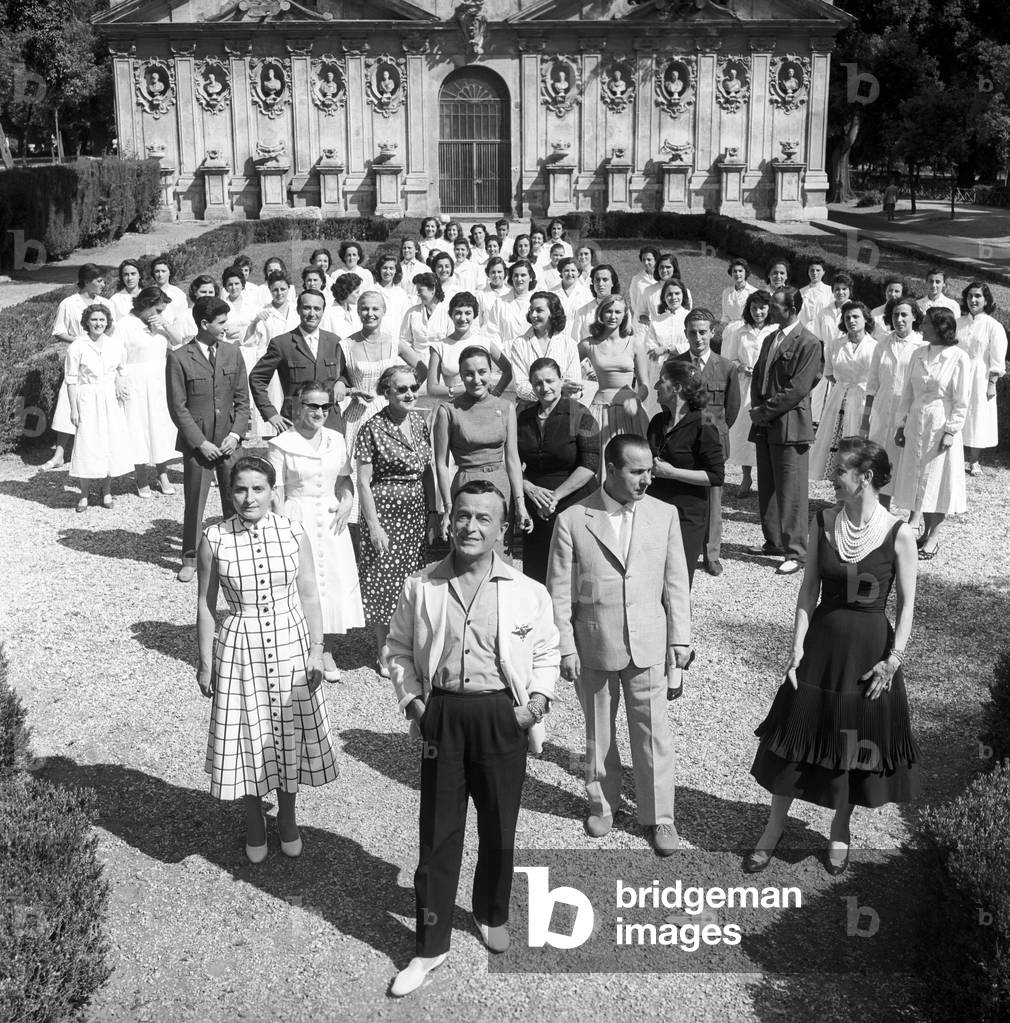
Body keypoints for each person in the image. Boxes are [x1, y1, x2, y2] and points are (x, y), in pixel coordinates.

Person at [385, 480, 559, 996]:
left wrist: (534, 708)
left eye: (484, 518)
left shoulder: (529, 591)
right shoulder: (422, 586)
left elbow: (547, 651)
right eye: (463, 515)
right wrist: (416, 704)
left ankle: (490, 911)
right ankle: (430, 945)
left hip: (501, 717)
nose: (471, 527)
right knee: (438, 834)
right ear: (449, 520)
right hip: (444, 714)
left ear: (502, 529)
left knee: (500, 825)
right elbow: (396, 650)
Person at [746, 438, 920, 876]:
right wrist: (795, 647)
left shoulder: (900, 534)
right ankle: (773, 827)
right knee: (795, 735)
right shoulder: (823, 519)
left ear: (864, 477)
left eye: (840, 471)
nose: (830, 478)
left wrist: (893, 659)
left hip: (869, 656)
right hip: (820, 649)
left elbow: (908, 606)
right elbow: (809, 589)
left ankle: (840, 828)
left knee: (850, 743)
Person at [548, 434, 692, 855]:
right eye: (637, 471)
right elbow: (558, 592)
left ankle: (660, 817)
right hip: (594, 643)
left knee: (652, 734)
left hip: (649, 641)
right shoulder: (572, 519)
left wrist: (680, 639)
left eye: (650, 469)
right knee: (599, 732)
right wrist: (565, 648)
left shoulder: (664, 514)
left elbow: (676, 583)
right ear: (610, 470)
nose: (647, 479)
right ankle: (602, 802)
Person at [197, 456, 339, 863]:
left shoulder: (293, 531)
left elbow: (310, 594)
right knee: (248, 733)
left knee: (287, 728)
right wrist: (206, 661)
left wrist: (316, 649)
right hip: (242, 645)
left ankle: (289, 816)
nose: (249, 497)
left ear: (273, 491)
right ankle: (255, 817)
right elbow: (207, 605)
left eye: (258, 488)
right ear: (229, 492)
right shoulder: (215, 538)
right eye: (240, 489)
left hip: (291, 640)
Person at [268, 382, 364, 681]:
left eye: (325, 406)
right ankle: (299, 646)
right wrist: (281, 526)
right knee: (303, 582)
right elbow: (277, 491)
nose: (320, 412)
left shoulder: (336, 439)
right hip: (298, 514)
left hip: (331, 515)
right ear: (298, 406)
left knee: (332, 580)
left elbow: (345, 480)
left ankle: (327, 650)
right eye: (313, 405)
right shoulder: (282, 443)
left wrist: (348, 502)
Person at [355, 365, 437, 678]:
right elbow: (363, 481)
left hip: (415, 508)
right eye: (401, 389)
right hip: (384, 509)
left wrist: (431, 512)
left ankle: (408, 640)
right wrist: (373, 525)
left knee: (411, 576)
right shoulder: (372, 427)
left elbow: (427, 470)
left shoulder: (418, 421)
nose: (409, 394)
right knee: (382, 577)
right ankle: (383, 648)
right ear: (386, 392)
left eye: (413, 387)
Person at [166, 297, 250, 582]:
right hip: (198, 445)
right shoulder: (178, 358)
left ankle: (234, 553)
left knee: (234, 498)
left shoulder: (232, 353)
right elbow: (178, 408)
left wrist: (235, 435)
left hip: (228, 441)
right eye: (221, 323)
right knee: (195, 502)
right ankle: (189, 557)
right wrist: (200, 442)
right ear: (204, 324)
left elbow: (242, 401)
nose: (227, 327)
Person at [748, 286, 823, 575]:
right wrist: (757, 408)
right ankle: (774, 541)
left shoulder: (809, 342)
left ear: (792, 309)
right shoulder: (770, 338)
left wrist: (764, 411)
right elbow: (758, 376)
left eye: (776, 306)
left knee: (791, 490)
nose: (770, 309)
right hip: (766, 423)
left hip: (790, 426)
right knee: (767, 485)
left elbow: (798, 388)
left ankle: (797, 551)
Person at [339, 291, 426, 525]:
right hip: (358, 414)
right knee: (359, 471)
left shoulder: (394, 342)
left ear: (384, 311)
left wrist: (406, 386)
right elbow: (338, 379)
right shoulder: (346, 345)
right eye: (365, 308)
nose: (370, 313)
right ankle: (360, 527)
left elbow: (422, 368)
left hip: (390, 410)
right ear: (358, 311)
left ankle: (390, 519)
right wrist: (350, 391)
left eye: (376, 309)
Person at [894, 308, 971, 560]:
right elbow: (908, 393)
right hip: (917, 422)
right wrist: (901, 423)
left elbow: (961, 399)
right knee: (918, 478)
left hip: (940, 423)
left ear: (940, 327)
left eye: (926, 322)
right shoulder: (918, 353)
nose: (922, 326)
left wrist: (951, 430)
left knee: (937, 480)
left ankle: (934, 536)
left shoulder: (958, 357)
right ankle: (923, 531)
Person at [432, 346, 531, 541]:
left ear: (492, 373)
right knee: (468, 550)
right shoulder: (448, 411)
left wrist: (520, 503)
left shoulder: (506, 407)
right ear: (460, 375)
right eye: (468, 374)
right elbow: (441, 465)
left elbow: (512, 458)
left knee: (499, 556)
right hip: (465, 486)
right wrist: (448, 507)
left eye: (482, 372)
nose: (476, 380)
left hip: (500, 487)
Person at [517, 358, 599, 584]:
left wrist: (554, 497)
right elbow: (512, 459)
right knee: (537, 571)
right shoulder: (523, 417)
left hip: (573, 500)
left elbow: (591, 464)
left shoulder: (580, 414)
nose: (544, 388)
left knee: (571, 573)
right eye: (538, 383)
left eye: (550, 381)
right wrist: (529, 487)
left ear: (561, 381)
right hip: (536, 501)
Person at [672, 308, 739, 576]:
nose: (697, 337)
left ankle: (711, 554)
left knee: (712, 498)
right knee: (682, 495)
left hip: (714, 441)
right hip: (684, 442)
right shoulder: (675, 365)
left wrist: (715, 434)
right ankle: (681, 549)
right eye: (692, 332)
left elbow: (731, 409)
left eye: (702, 332)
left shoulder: (726, 367)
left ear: (712, 333)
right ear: (685, 333)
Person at [647, 359, 725, 588]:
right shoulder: (657, 421)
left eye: (661, 381)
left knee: (676, 584)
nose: (655, 387)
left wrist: (672, 473)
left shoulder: (704, 422)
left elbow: (716, 476)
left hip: (686, 516)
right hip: (653, 512)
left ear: (677, 388)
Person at [43, 264, 116, 470]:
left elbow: (112, 330)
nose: (103, 284)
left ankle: (100, 452)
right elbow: (59, 331)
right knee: (69, 401)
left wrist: (98, 343)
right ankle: (59, 454)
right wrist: (80, 342)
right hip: (77, 357)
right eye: (99, 280)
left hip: (100, 358)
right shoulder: (69, 303)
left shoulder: (106, 303)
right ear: (86, 281)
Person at [249, 289, 349, 434]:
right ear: (298, 309)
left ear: (323, 311)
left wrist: (341, 382)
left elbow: (347, 372)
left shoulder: (334, 341)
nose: (312, 313)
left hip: (329, 420)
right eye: (307, 308)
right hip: (295, 421)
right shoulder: (282, 343)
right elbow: (257, 378)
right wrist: (271, 414)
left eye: (317, 309)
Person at [859, 298, 926, 509]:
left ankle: (914, 516)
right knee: (883, 461)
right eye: (895, 314)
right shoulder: (882, 345)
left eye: (904, 314)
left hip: (910, 412)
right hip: (882, 410)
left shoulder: (923, 346)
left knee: (910, 463)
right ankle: (884, 511)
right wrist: (865, 420)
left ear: (914, 316)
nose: (899, 319)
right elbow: (872, 385)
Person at [115, 285, 181, 498]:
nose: (160, 314)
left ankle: (162, 474)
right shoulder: (124, 325)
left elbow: (178, 340)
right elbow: (116, 358)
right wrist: (119, 380)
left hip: (158, 380)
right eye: (158, 310)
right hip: (135, 381)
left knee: (159, 427)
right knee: (138, 427)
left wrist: (165, 324)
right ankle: (141, 476)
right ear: (145, 305)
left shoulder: (160, 323)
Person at [65, 304, 132, 511]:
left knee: (110, 442)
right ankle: (84, 495)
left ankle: (107, 491)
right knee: (88, 444)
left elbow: (122, 370)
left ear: (107, 322)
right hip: (88, 398)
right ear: (87, 322)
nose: (98, 324)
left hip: (111, 398)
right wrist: (74, 409)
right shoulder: (77, 346)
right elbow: (71, 380)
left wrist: (120, 383)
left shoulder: (114, 344)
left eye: (102, 320)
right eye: (94, 320)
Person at [579, 295, 650, 484]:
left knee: (632, 462)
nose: (613, 316)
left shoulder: (635, 343)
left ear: (625, 314)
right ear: (600, 313)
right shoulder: (588, 344)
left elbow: (645, 385)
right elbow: (566, 370)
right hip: (600, 410)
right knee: (601, 460)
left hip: (630, 411)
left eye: (618, 312)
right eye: (608, 311)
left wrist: (636, 400)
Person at [809, 301, 878, 482]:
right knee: (837, 444)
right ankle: (839, 493)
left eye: (856, 316)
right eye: (847, 317)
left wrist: (857, 389)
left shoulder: (875, 346)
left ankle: (858, 492)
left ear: (865, 319)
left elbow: (877, 378)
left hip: (863, 400)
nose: (851, 321)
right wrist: (844, 388)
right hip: (838, 398)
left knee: (859, 446)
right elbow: (829, 374)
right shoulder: (835, 344)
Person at [722, 290, 776, 497]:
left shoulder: (774, 330)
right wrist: (741, 368)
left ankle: (766, 477)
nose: (758, 312)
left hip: (767, 387)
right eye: (754, 308)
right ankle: (746, 476)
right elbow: (730, 359)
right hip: (745, 386)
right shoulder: (740, 331)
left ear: (769, 308)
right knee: (744, 431)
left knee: (765, 431)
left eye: (762, 308)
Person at [956, 281, 1008, 476]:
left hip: (980, 376)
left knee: (977, 416)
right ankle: (955, 456)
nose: (973, 300)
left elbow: (997, 358)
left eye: (978, 296)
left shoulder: (994, 326)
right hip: (958, 374)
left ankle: (974, 461)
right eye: (970, 296)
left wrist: (992, 383)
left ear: (986, 300)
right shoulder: (958, 322)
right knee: (957, 411)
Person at [426, 291, 512, 406]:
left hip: (482, 407)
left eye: (468, 313)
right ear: (451, 314)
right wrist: (463, 390)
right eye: (458, 313)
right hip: (454, 408)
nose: (463, 318)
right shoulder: (439, 347)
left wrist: (494, 395)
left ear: (474, 315)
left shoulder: (485, 342)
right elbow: (431, 389)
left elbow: (508, 370)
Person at [242, 272, 298, 439]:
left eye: (283, 289)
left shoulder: (297, 310)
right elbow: (248, 341)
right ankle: (272, 438)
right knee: (274, 400)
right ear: (269, 290)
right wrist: (255, 322)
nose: (279, 293)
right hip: (271, 364)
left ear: (289, 289)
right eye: (275, 290)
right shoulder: (264, 312)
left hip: (294, 362)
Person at [509, 291, 582, 409]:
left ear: (552, 313)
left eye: (539, 310)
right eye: (531, 310)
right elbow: (521, 387)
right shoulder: (520, 344)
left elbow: (575, 389)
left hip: (561, 412)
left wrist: (544, 391)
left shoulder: (569, 344)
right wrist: (559, 387)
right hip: (528, 412)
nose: (533, 315)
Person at [642, 278, 691, 417]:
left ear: (683, 295)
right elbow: (651, 349)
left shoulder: (690, 318)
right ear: (664, 297)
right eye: (669, 294)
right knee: (657, 412)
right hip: (660, 373)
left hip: (684, 372)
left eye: (677, 293)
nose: (673, 297)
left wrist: (667, 349)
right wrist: (663, 355)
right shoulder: (656, 321)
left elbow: (691, 344)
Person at [549, 256, 592, 342]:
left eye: (573, 270)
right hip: (556, 339)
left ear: (578, 273)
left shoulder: (587, 294)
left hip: (579, 340)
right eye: (566, 271)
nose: (570, 274)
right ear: (561, 273)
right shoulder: (551, 293)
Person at [373, 253, 411, 337]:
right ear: (379, 270)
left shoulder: (401, 294)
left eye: (391, 268)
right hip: (376, 338)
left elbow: (406, 319)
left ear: (396, 271)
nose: (388, 272)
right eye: (384, 268)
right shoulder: (372, 291)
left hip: (397, 338)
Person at [798, 259, 833, 332]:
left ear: (823, 272)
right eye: (812, 270)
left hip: (823, 333)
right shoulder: (801, 292)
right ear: (808, 272)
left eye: (818, 270)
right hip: (804, 333)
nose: (814, 273)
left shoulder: (830, 291)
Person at [720, 258, 757, 325]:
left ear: (746, 273)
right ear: (731, 273)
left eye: (740, 271)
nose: (737, 274)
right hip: (731, 330)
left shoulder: (754, 292)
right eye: (735, 271)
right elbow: (725, 316)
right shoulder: (726, 292)